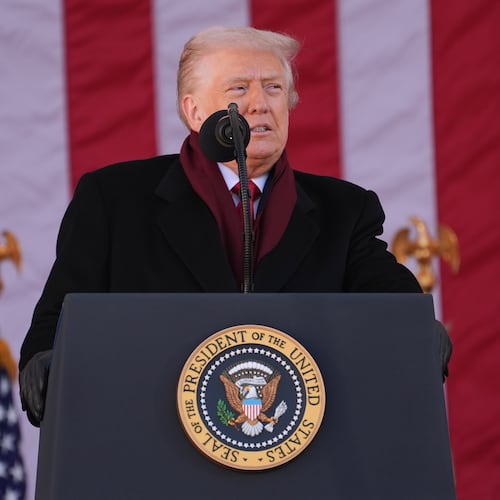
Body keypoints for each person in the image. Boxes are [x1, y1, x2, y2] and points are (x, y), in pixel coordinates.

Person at [18, 26, 451, 426]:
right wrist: (45, 355)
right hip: (148, 436)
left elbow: (385, 290)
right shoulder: (114, 198)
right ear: (193, 110)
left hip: (300, 447)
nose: (260, 103)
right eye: (239, 88)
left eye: (274, 88)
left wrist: (412, 323)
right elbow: (63, 309)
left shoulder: (344, 208)